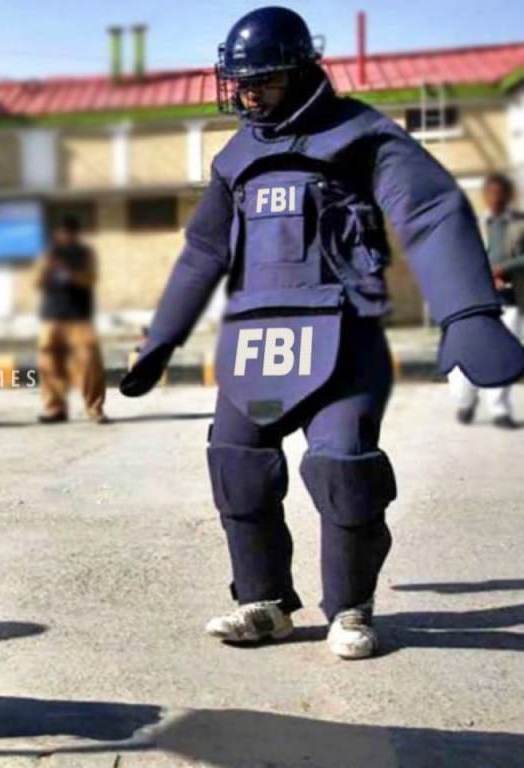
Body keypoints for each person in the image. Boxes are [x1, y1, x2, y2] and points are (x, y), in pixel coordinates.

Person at [120, 7, 524, 660]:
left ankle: (351, 608)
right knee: (237, 465)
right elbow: (204, 250)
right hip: (256, 339)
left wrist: (468, 311)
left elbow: (427, 210)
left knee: (344, 470)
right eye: (241, 83)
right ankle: (264, 604)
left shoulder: (360, 134)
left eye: (265, 81)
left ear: (304, 71)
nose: (250, 96)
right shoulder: (235, 158)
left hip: (345, 336)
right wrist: (162, 338)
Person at [448, 173, 524, 428]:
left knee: (503, 357)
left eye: (501, 192)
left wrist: (503, 269)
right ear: (485, 195)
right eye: (491, 193)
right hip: (475, 301)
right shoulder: (473, 224)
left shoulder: (520, 223)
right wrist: (485, 275)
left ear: (509, 195)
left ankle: (499, 410)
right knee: (471, 353)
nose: (496, 198)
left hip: (510, 298)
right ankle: (466, 402)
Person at [34, 215, 107, 424]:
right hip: (52, 317)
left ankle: (94, 409)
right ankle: (55, 409)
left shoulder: (85, 254)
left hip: (79, 318)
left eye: (69, 233)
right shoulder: (49, 254)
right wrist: (48, 266)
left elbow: (90, 279)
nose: (64, 237)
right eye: (62, 233)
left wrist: (69, 274)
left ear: (75, 234)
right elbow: (37, 281)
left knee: (90, 363)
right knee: (50, 363)